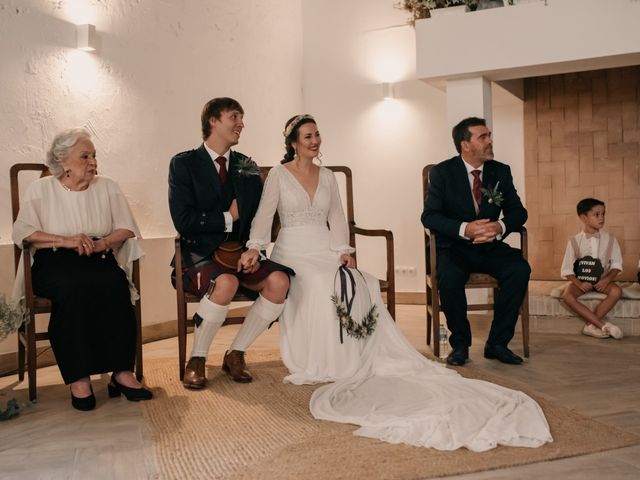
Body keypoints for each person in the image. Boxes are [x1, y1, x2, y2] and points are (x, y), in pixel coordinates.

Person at [242, 114, 552, 451]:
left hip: (332, 248)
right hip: (297, 250)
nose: (315, 141)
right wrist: (256, 248)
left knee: (364, 283)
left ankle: (497, 343)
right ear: (293, 143)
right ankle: (452, 346)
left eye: (318, 134)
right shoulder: (278, 175)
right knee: (327, 284)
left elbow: (336, 218)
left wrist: (344, 250)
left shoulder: (328, 176)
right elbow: (263, 216)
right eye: (308, 136)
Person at [12, 128, 151, 411]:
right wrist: (65, 240)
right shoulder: (41, 189)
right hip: (54, 259)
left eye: (94, 156)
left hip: (97, 255)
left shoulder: (107, 186)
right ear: (63, 161)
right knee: (73, 289)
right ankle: (78, 376)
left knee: (114, 285)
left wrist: (103, 244)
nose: (93, 162)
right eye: (85, 156)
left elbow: (126, 228)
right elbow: (24, 233)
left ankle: (122, 372)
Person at [169, 97, 293, 389]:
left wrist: (255, 249)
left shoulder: (246, 165)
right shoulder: (183, 164)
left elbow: (259, 218)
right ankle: (197, 359)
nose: (241, 124)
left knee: (279, 281)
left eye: (242, 117)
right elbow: (183, 220)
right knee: (226, 283)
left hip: (242, 252)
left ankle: (235, 353)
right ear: (213, 120)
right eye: (234, 117)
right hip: (198, 254)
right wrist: (228, 217)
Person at [421, 117, 530, 367]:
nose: (490, 141)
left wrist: (499, 226)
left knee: (519, 269)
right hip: (454, 247)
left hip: (490, 246)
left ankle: (497, 343)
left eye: (489, 135)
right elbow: (429, 216)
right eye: (483, 137)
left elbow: (518, 212)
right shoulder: (442, 172)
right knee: (449, 277)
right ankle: (460, 345)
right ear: (465, 145)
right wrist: (465, 228)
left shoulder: (500, 171)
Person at [560, 198, 624, 339]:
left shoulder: (611, 240)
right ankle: (602, 325)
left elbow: (617, 265)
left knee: (616, 291)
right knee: (567, 296)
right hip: (582, 281)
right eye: (596, 214)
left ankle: (590, 325)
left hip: (602, 280)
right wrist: (579, 283)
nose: (601, 218)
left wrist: (606, 280)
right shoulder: (574, 241)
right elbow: (566, 270)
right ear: (583, 217)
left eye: (603, 214)